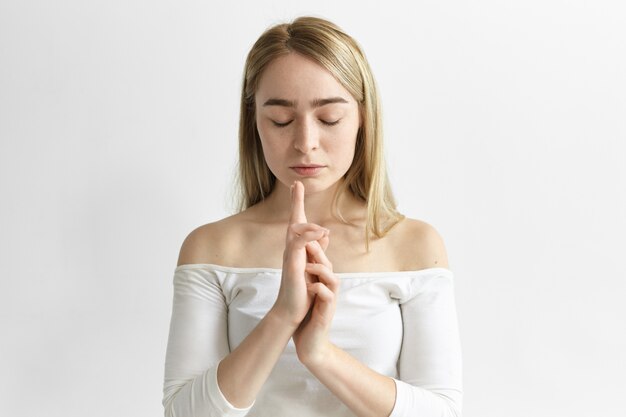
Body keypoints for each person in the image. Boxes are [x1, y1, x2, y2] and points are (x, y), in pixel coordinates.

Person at [162, 15, 463, 417]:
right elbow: (184, 413)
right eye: (281, 120)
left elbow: (442, 411)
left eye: (329, 119)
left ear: (362, 118)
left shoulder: (414, 244)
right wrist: (283, 316)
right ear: (254, 123)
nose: (305, 143)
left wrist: (319, 353)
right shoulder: (213, 246)